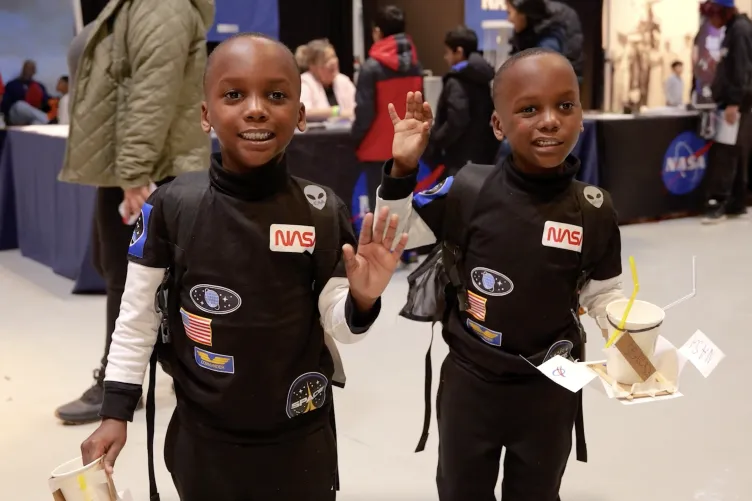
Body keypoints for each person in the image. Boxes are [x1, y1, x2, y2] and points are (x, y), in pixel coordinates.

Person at [80, 33, 409, 501]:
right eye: (233, 95)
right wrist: (116, 410)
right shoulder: (172, 206)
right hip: (204, 439)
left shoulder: (321, 210)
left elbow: (342, 327)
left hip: (300, 436)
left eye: (276, 95)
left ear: (299, 116)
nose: (256, 109)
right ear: (204, 114)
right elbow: (136, 321)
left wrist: (362, 298)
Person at [376, 49, 626, 501]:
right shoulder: (469, 188)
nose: (549, 120)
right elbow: (395, 238)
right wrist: (402, 170)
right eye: (529, 109)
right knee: (460, 490)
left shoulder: (594, 208)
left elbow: (602, 293)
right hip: (472, 382)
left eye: (564, 106)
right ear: (498, 125)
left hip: (551, 386)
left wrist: (631, 336)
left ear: (581, 117)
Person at [54, 0, 215, 425]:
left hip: (151, 169)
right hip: (130, 166)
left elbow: (151, 93)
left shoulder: (161, 5)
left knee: (132, 280)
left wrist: (135, 173)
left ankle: (121, 385)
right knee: (114, 269)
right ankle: (163, 376)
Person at [352, 5, 423, 213]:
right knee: (403, 210)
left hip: (375, 149)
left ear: (378, 32)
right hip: (407, 148)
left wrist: (355, 138)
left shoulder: (371, 67)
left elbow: (365, 113)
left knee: (379, 213)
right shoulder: (416, 66)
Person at [701, 0, 752, 223]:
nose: (711, 21)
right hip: (738, 101)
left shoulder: (739, 31)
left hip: (736, 103)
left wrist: (733, 103)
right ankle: (737, 202)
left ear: (723, 12)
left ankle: (719, 202)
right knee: (737, 150)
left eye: (713, 15)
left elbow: (742, 69)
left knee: (726, 152)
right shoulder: (733, 30)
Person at [425, 25, 498, 177]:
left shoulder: (457, 80)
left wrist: (437, 140)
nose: (445, 58)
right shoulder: (483, 77)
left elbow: (457, 119)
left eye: (447, 52)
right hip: (482, 155)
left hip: (458, 159)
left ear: (458, 51)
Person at [507, 0, 584, 81]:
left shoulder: (549, 43)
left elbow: (542, 80)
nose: (509, 19)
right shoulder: (532, 36)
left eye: (509, 12)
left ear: (523, 14)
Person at [300, 39, 356, 121]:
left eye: (334, 57)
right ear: (312, 66)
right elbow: (304, 112)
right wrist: (336, 111)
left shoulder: (343, 80)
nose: (333, 62)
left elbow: (358, 108)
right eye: (326, 60)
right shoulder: (305, 82)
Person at [0, 60, 50, 125]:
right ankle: (49, 120)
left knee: (37, 123)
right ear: (23, 69)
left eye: (31, 69)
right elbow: (4, 103)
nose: (28, 71)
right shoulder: (12, 84)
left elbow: (47, 101)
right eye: (27, 68)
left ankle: (47, 122)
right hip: (16, 115)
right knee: (20, 104)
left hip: (32, 115)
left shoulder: (39, 86)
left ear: (34, 72)